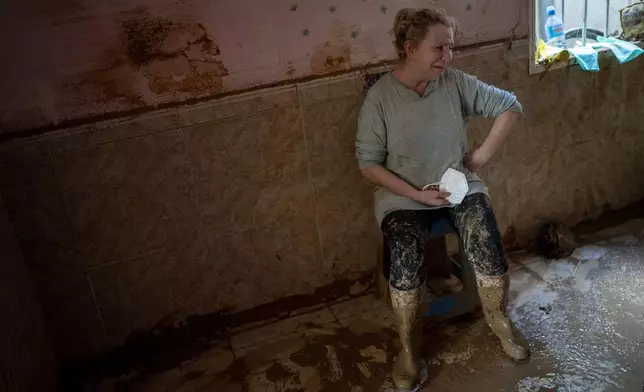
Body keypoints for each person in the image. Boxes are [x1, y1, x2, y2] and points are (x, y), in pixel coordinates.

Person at [355, 7, 530, 391]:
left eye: (450, 48)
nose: (447, 57)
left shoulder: (454, 83)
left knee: (485, 235)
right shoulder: (381, 98)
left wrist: (480, 157)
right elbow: (368, 164)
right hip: (404, 195)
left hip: (456, 187)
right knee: (404, 255)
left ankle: (499, 321)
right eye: (439, 48)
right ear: (410, 47)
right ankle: (409, 349)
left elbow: (510, 106)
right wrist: (416, 193)